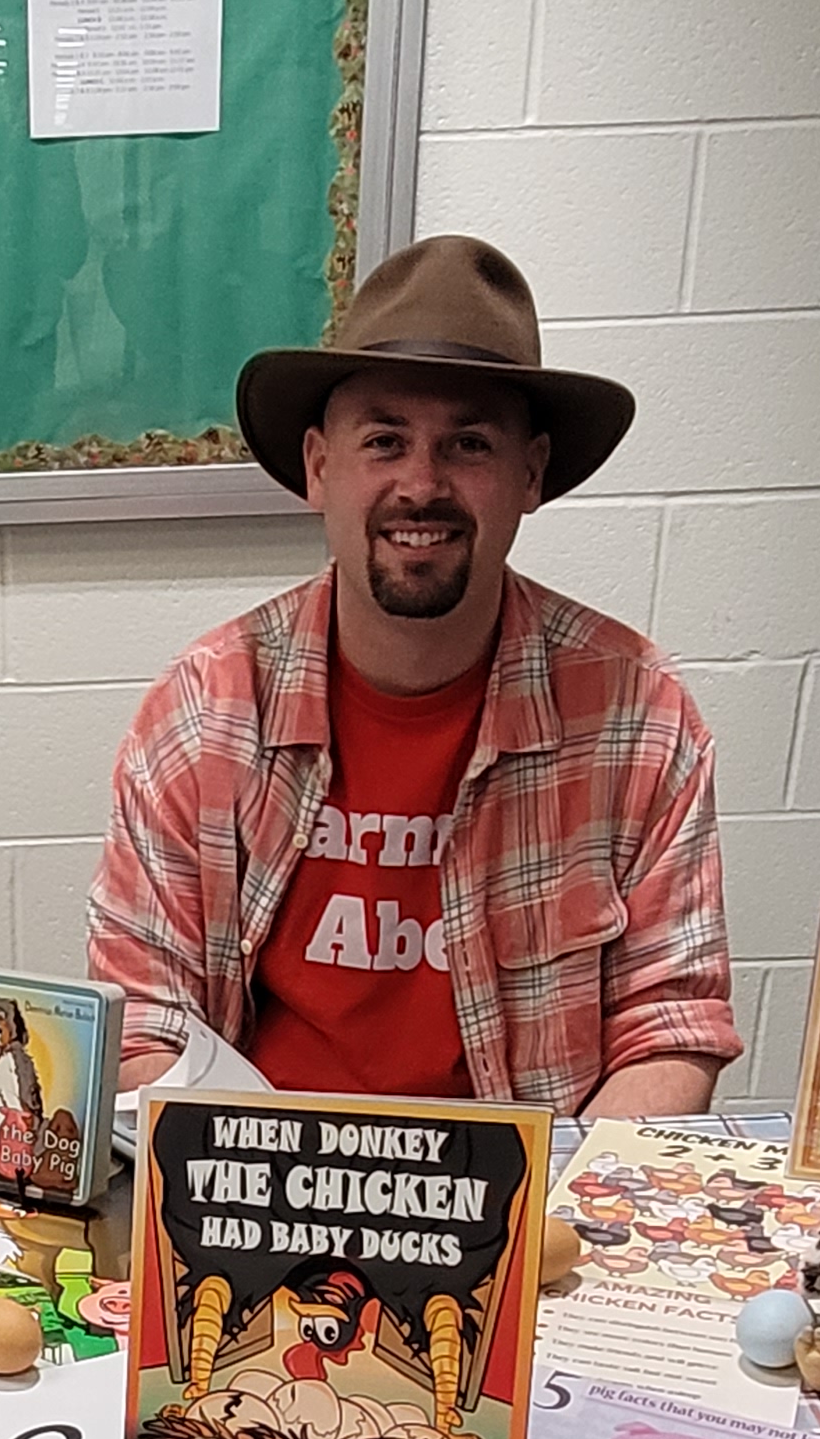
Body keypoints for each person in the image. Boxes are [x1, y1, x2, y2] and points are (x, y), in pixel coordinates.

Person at [88, 235, 740, 1118]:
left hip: (535, 1182)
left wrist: (558, 1192)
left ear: (530, 474)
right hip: (258, 1172)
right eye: (385, 441)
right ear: (320, 468)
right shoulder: (203, 711)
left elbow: (670, 1028)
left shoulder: (639, 714)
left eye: (468, 444)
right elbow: (143, 1024)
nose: (421, 484)